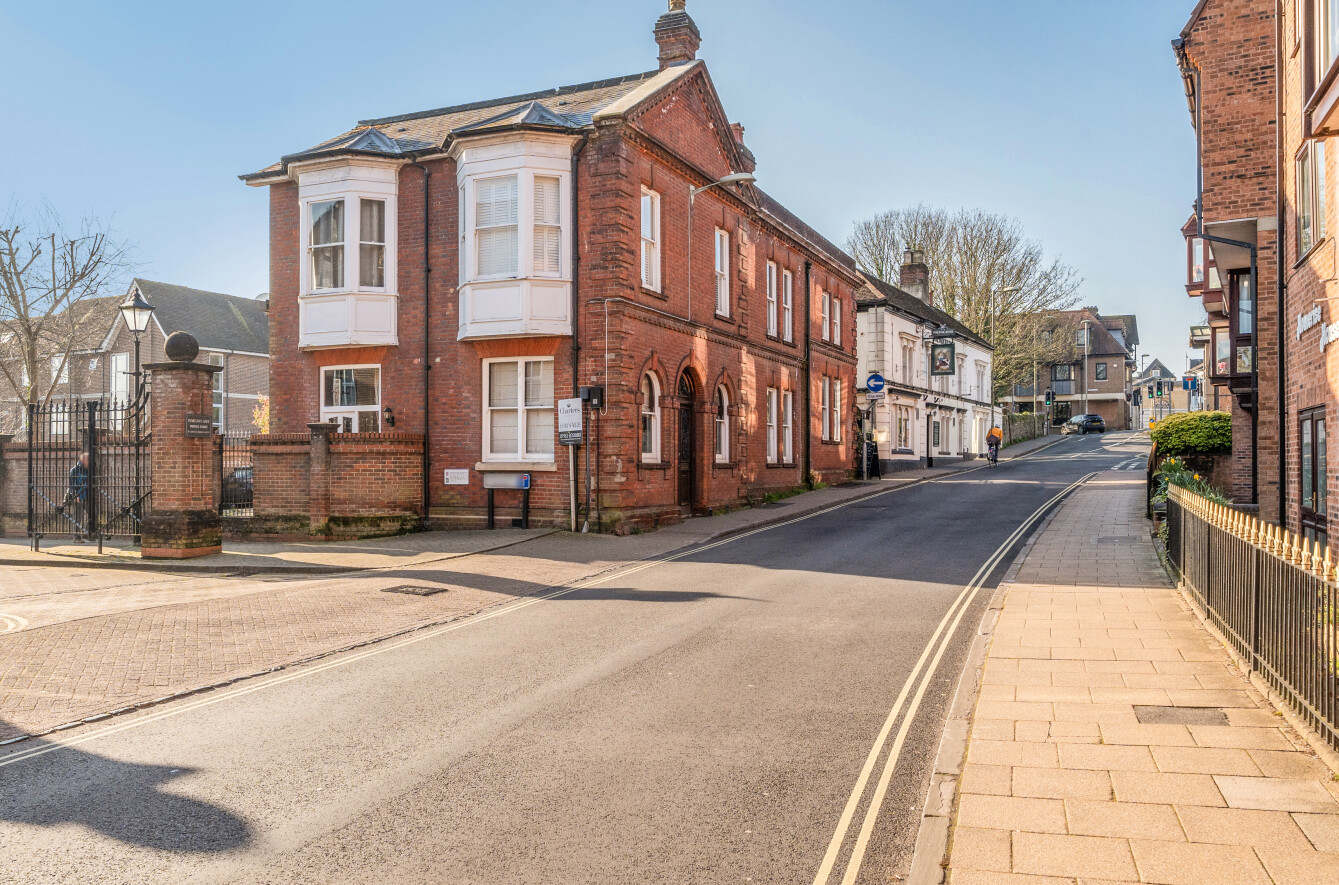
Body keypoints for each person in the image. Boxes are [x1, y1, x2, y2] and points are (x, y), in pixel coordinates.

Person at [67, 452, 90, 541]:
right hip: (78, 496)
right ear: (83, 460)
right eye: (88, 459)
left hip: (86, 496)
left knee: (93, 513)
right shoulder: (75, 470)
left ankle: (87, 532)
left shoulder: (87, 470)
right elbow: (72, 484)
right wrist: (75, 495)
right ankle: (76, 537)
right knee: (77, 517)